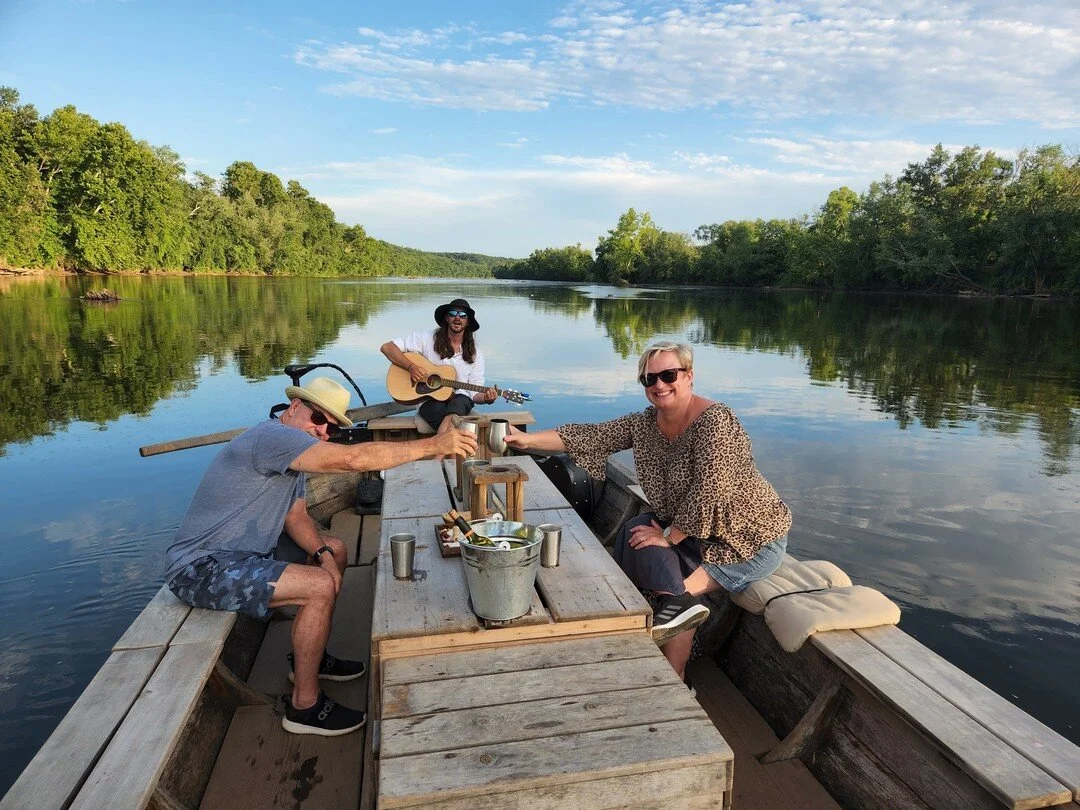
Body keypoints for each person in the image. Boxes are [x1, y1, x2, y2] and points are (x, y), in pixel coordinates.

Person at [163, 376, 477, 736]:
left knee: (337, 549)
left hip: (247, 553)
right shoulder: (273, 438)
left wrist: (324, 553)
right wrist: (432, 445)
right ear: (294, 407)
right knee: (318, 587)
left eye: (331, 427)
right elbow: (353, 459)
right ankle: (303, 706)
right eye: (318, 418)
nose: (323, 430)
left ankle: (307, 661)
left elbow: (295, 517)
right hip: (201, 568)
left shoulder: (292, 449)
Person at [504, 341, 791, 685]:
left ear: (689, 376)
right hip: (695, 533)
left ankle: (674, 675)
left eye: (669, 374)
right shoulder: (645, 424)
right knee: (637, 529)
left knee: (669, 592)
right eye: (649, 379)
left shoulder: (716, 422)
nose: (659, 385)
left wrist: (669, 536)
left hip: (747, 540)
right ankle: (669, 633)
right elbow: (591, 436)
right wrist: (526, 440)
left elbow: (711, 491)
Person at [380, 298, 497, 435]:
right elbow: (387, 347)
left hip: (460, 399)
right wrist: (411, 367)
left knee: (458, 404)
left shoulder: (475, 354)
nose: (457, 317)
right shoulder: (426, 338)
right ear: (447, 318)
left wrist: (486, 398)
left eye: (463, 315)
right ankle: (446, 454)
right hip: (428, 399)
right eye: (453, 313)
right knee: (442, 414)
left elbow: (474, 392)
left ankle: (438, 456)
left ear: (468, 321)